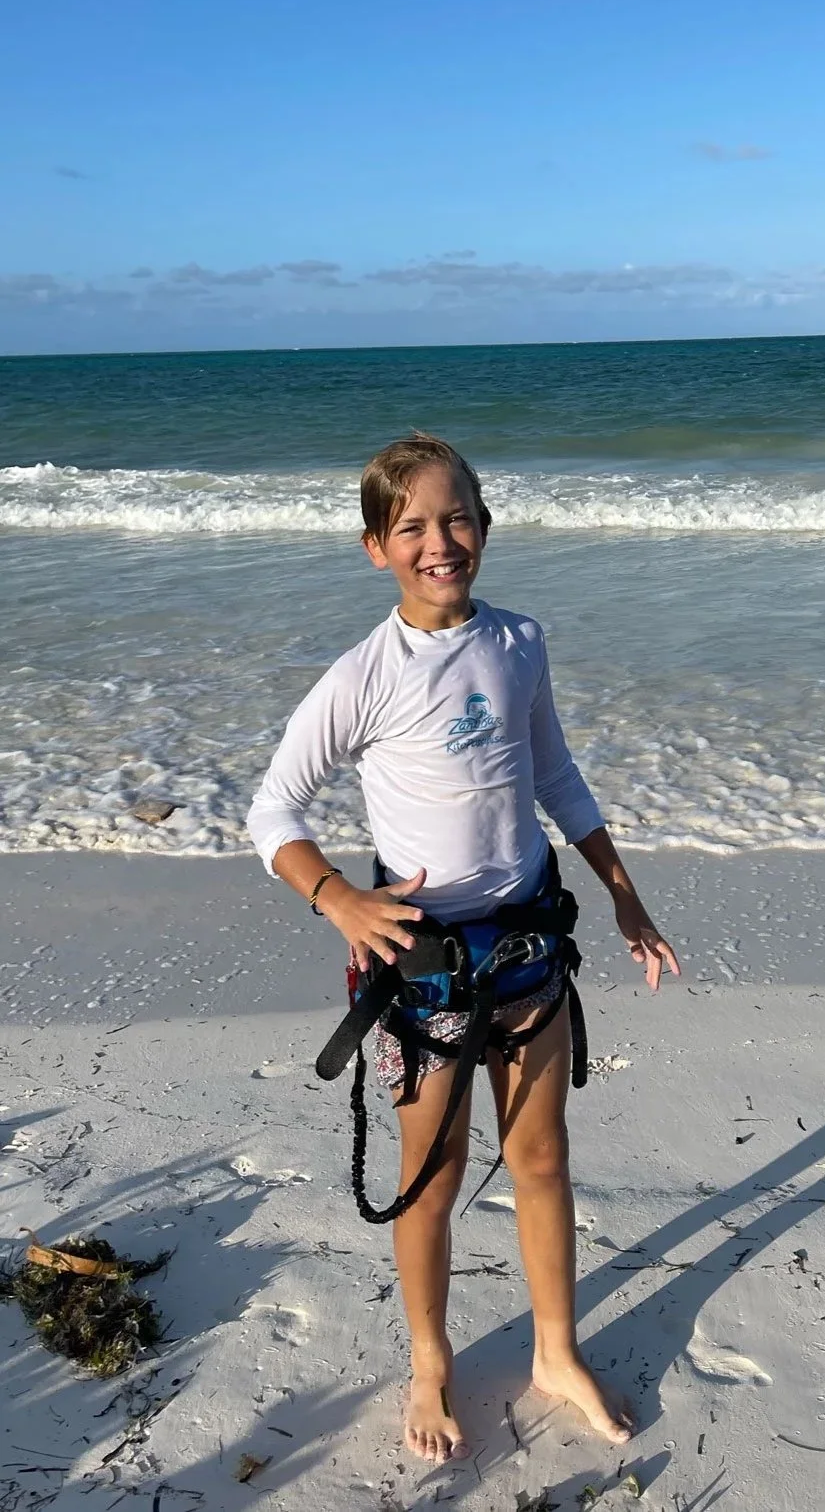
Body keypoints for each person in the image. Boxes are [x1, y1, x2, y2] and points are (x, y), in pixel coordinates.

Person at [246, 432, 680, 1465]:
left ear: (485, 524)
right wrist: (339, 898)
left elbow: (557, 779)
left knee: (541, 1160)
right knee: (430, 1181)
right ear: (375, 548)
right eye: (413, 527)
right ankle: (432, 1360)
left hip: (529, 946)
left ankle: (555, 1351)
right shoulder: (364, 675)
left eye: (457, 518)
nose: (440, 541)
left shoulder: (521, 640)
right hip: (425, 970)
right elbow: (272, 811)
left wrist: (623, 895)